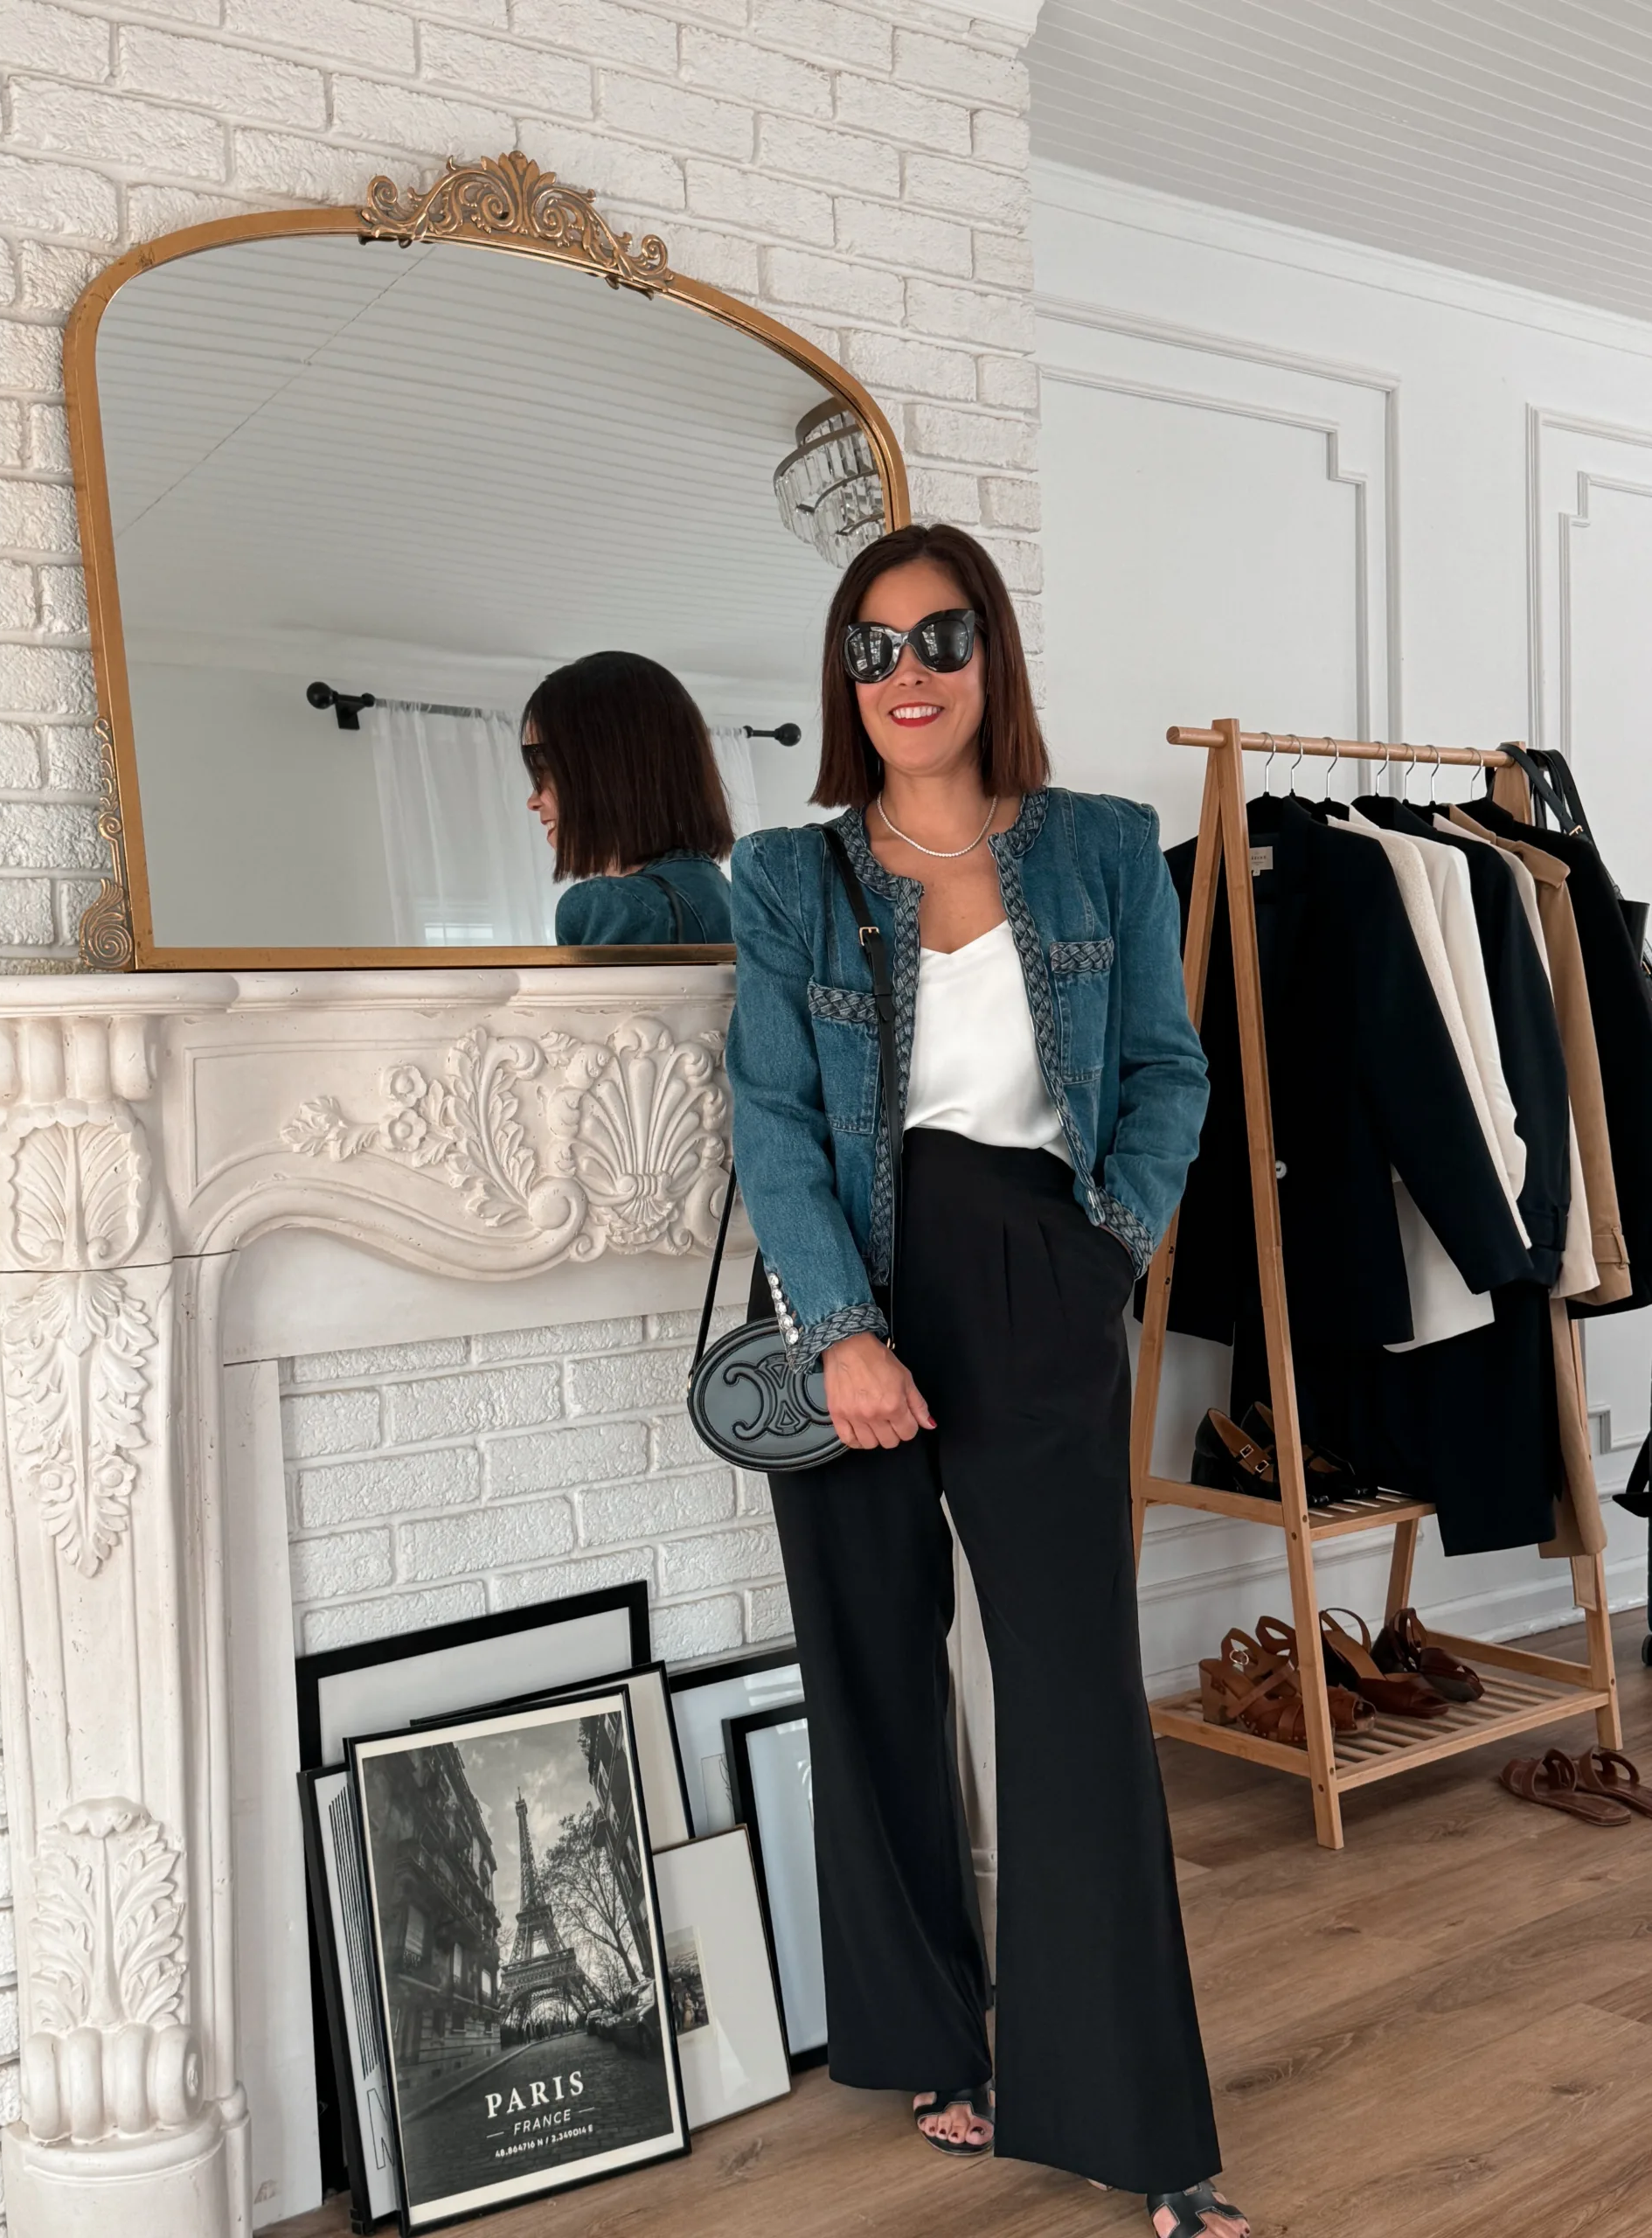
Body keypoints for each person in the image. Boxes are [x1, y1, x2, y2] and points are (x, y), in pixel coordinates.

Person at [725, 524, 1245, 2238]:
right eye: (874, 648)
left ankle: (1140, 2125)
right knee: (870, 1666)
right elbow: (777, 1121)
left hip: (1036, 1269)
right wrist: (840, 1327)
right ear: (844, 679)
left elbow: (1168, 1074)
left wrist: (1107, 1250)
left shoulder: (1099, 848)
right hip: (855, 1287)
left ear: (990, 654)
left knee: (1074, 1690)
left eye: (940, 638)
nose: (908, 674)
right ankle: (938, 2040)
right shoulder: (792, 879)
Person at [521, 650, 733, 944]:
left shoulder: (615, 907)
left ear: (607, 772)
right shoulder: (734, 901)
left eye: (544, 767)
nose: (533, 800)